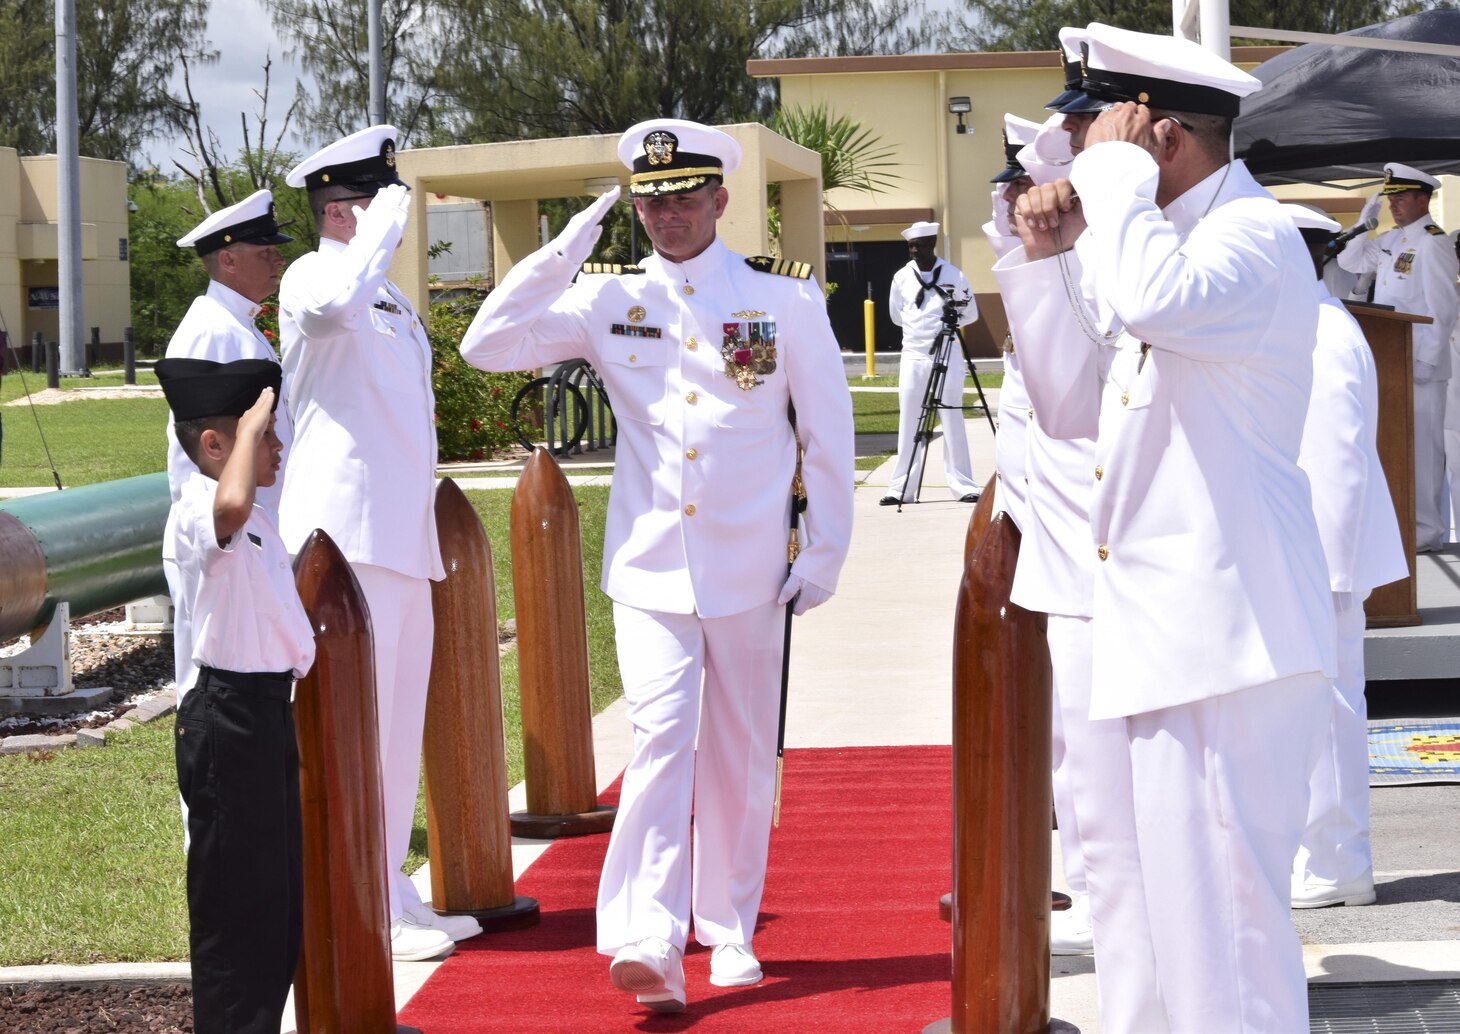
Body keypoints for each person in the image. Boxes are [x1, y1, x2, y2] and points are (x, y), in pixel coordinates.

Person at [458, 118, 854, 1013]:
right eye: (649, 200)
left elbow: (826, 437)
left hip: (752, 565)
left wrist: (823, 549)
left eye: (682, 197)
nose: (665, 215)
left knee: (743, 753)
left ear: (720, 198)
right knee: (661, 736)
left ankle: (730, 925)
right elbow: (486, 345)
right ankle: (646, 934)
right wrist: (562, 251)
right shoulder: (606, 299)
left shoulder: (782, 302)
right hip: (648, 568)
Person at [996, 22, 1337, 1031]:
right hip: (1170, 640)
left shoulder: (1249, 236)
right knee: (1180, 934)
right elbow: (1066, 402)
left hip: (1228, 647)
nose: (1073, 156)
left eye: (1097, 131)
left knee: (1228, 941)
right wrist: (1048, 259)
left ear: (1162, 141)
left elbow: (1149, 301)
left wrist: (1111, 184)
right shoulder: (1163, 243)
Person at [277, 124, 481, 962]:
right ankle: (353, 896)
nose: (397, 218)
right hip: (343, 545)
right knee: (353, 727)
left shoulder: (387, 297)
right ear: (345, 210)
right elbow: (330, 312)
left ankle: (388, 883)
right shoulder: (315, 277)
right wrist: (382, 235)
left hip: (400, 539)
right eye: (381, 201)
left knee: (395, 729)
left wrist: (383, 247)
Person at [156, 357, 315, 1034]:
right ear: (216, 445)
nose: (275, 445)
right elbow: (228, 505)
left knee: (274, 905)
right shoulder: (201, 504)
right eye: (261, 433)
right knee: (237, 911)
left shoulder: (256, 521)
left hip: (263, 714)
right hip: (227, 718)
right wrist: (251, 429)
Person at [1284, 203, 1407, 909]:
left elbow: (1336, 462)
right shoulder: (1310, 324)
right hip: (1308, 553)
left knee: (1329, 706)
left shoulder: (1323, 334)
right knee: (1318, 704)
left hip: (1321, 555)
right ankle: (1324, 855)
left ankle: (1336, 863)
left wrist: (1326, 573)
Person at [162, 189, 294, 703]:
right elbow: (194, 452)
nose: (278, 258)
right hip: (223, 540)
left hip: (247, 531)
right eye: (266, 251)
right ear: (228, 258)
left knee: (251, 686)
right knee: (211, 689)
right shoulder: (211, 331)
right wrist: (221, 536)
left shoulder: (238, 325)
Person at [1337, 163, 1458, 551]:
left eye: (1401, 197)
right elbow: (1350, 263)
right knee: (1397, 444)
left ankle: (1426, 530)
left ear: (1423, 199)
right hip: (1393, 358)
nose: (1393, 204)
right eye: (1389, 197)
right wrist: (1362, 224)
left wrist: (1428, 359)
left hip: (1421, 363)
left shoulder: (1432, 241)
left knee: (1423, 449)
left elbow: (1443, 305)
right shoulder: (1392, 240)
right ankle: (1409, 524)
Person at [880, 220, 981, 504]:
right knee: (910, 418)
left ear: (931, 245)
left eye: (919, 246)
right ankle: (901, 488)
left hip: (948, 352)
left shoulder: (954, 274)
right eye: (910, 246)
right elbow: (896, 315)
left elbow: (969, 312)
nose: (914, 251)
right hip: (913, 355)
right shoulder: (901, 277)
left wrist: (947, 328)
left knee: (951, 416)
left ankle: (963, 484)